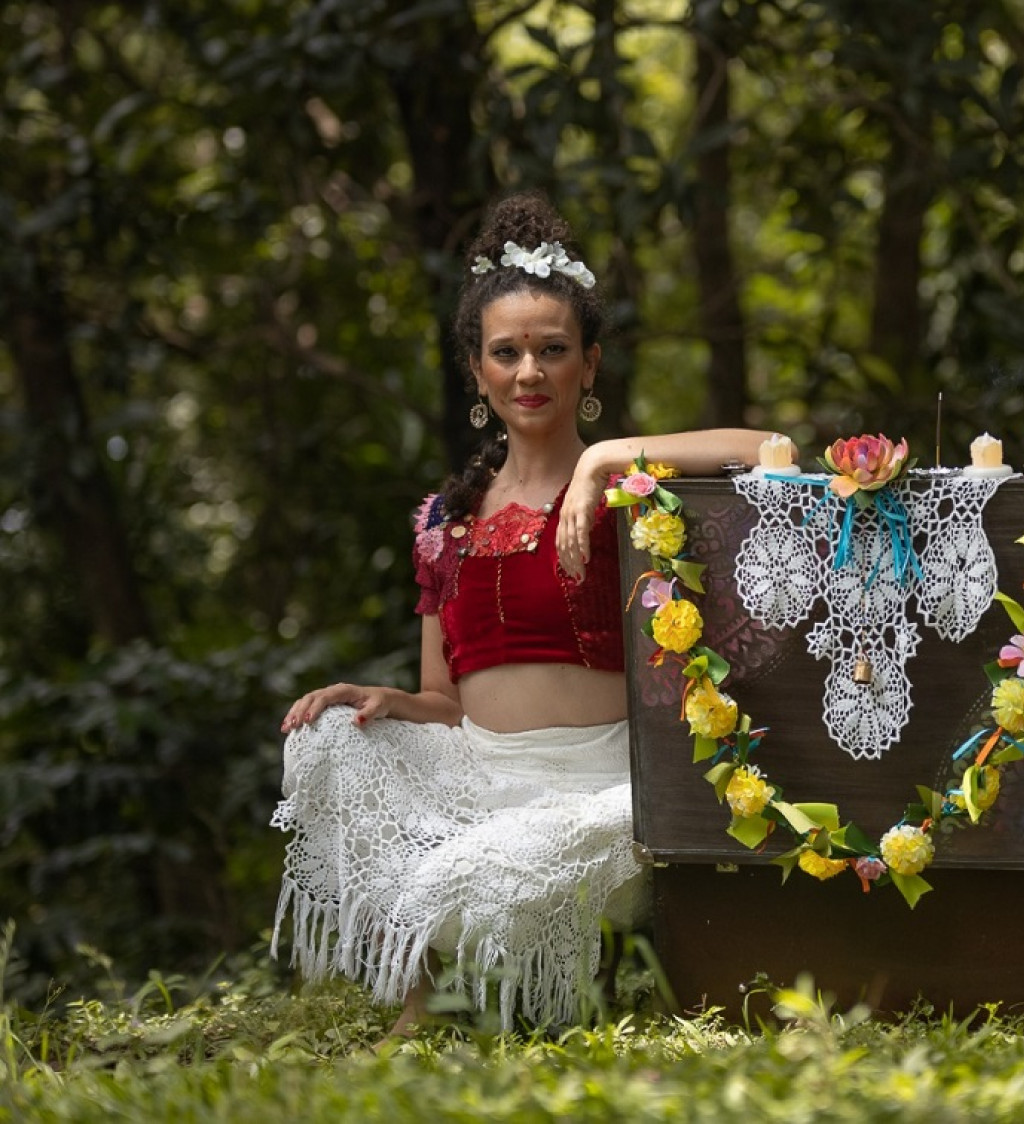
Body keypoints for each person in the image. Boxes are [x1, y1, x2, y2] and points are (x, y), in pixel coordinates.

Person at [273, 191, 783, 1036]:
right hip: (478, 776)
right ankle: (433, 997)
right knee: (327, 742)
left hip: (604, 787)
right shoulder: (446, 519)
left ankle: (470, 988)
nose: (529, 373)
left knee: (480, 873)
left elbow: (763, 452)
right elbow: (444, 700)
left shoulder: (631, 492)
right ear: (476, 371)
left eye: (552, 350)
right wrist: (382, 700)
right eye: (505, 353)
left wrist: (608, 463)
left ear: (589, 365)